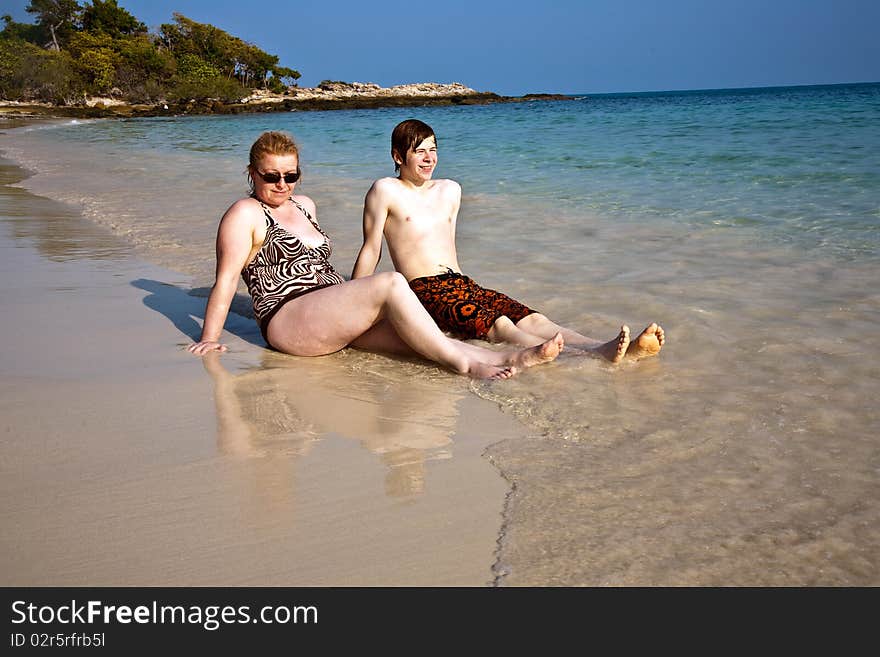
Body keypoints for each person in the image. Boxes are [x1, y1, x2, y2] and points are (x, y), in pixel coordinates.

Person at [188, 130, 564, 380]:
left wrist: (352, 298)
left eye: (291, 175)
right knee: (391, 283)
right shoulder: (245, 214)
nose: (283, 185)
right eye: (272, 177)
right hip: (288, 319)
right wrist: (209, 337)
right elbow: (225, 281)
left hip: (328, 312)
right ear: (252, 173)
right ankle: (466, 367)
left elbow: (321, 267)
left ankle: (513, 359)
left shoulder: (304, 205)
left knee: (426, 339)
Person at [351, 119, 665, 363]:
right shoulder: (385, 190)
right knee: (501, 327)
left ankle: (602, 346)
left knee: (534, 319)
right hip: (425, 289)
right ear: (397, 155)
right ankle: (592, 358)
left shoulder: (450, 190)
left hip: (462, 282)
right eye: (419, 150)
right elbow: (371, 248)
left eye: (433, 149)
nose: (429, 157)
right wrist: (353, 305)